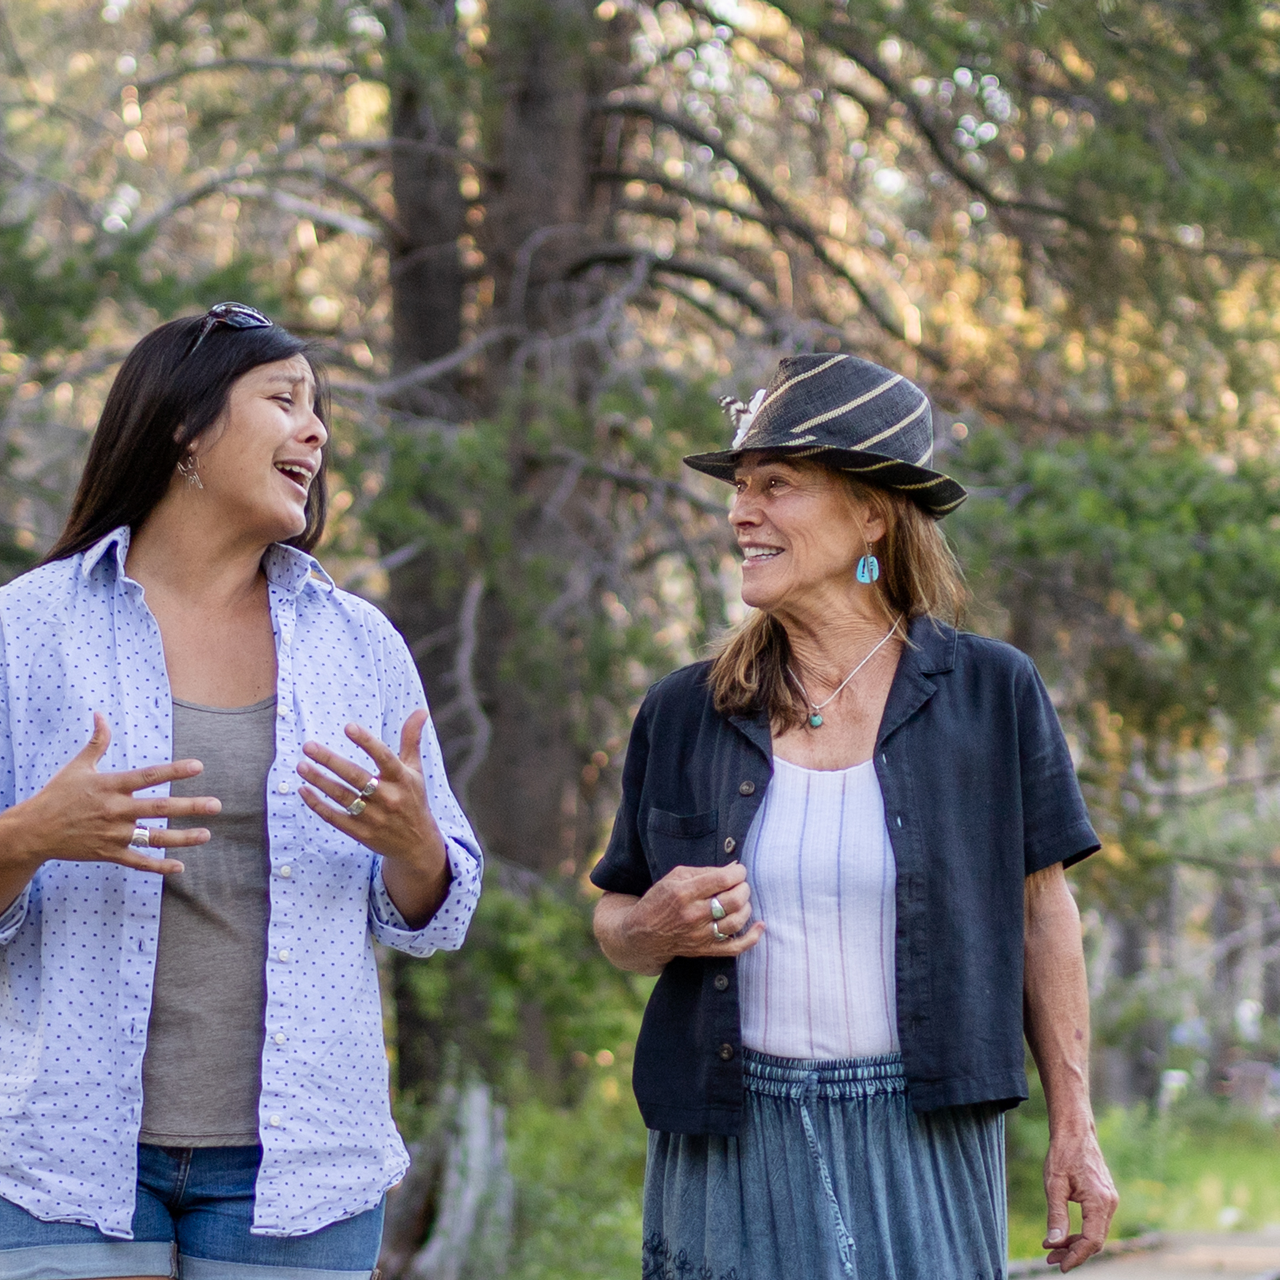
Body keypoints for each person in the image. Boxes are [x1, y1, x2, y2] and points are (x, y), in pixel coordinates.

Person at [591, 353, 1118, 1280]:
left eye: (777, 485)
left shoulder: (991, 693)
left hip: (920, 1136)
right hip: (728, 1136)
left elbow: (1045, 915)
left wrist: (1075, 1123)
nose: (740, 511)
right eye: (740, 487)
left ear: (872, 511)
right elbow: (616, 924)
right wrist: (649, 927)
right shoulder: (685, 709)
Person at [0, 303, 482, 1280]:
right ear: (185, 427)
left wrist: (412, 841)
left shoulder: (357, 644)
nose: (317, 430)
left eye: (320, 409)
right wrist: (30, 832)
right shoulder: (29, 628)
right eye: (284, 399)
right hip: (64, 1153)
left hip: (299, 1172)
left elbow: (435, 914)